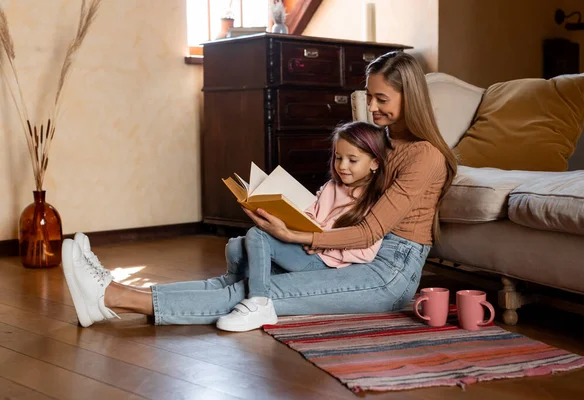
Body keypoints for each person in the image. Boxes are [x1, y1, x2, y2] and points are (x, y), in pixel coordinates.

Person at [60, 51, 457, 328]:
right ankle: (114, 292)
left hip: (388, 272)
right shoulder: (383, 142)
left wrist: (297, 235)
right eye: (369, 96)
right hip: (352, 255)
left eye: (381, 99)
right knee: (241, 278)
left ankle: (114, 299)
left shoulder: (424, 157)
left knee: (255, 294)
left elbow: (372, 231)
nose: (370, 107)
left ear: (411, 97)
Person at [215, 121, 391, 332]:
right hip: (304, 249)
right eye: (338, 157)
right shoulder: (331, 187)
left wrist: (322, 243)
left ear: (374, 163)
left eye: (352, 160)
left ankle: (259, 302)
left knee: (257, 235)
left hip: (324, 262)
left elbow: (366, 253)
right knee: (237, 246)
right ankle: (228, 293)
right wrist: (291, 218)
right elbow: (311, 214)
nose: (343, 166)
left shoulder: (376, 202)